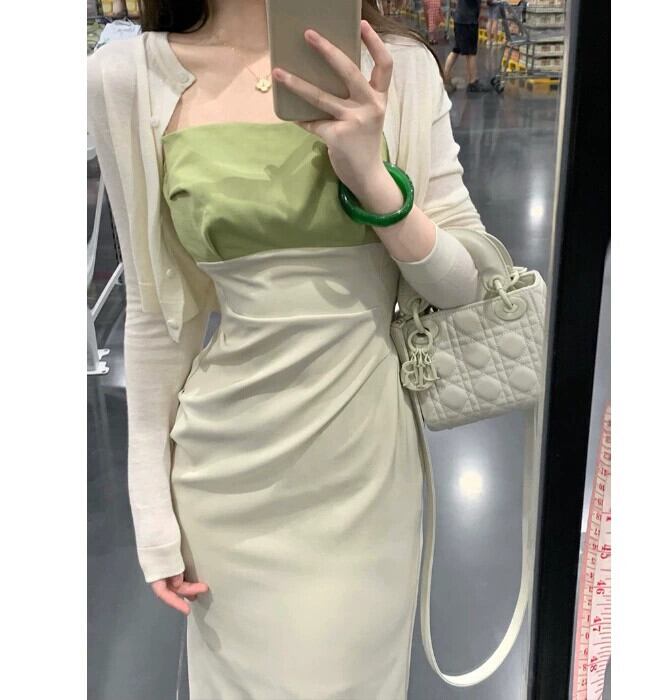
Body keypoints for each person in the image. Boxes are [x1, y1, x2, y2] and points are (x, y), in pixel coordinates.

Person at [87, 0, 491, 697]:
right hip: (225, 479)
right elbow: (158, 315)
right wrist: (152, 514)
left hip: (363, 475)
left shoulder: (399, 70)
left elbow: (465, 283)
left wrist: (372, 180)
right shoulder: (127, 77)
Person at [443, 0, 490, 93]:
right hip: (468, 21)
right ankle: (473, 83)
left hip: (461, 19)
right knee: (471, 52)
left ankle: (445, 77)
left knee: (457, 49)